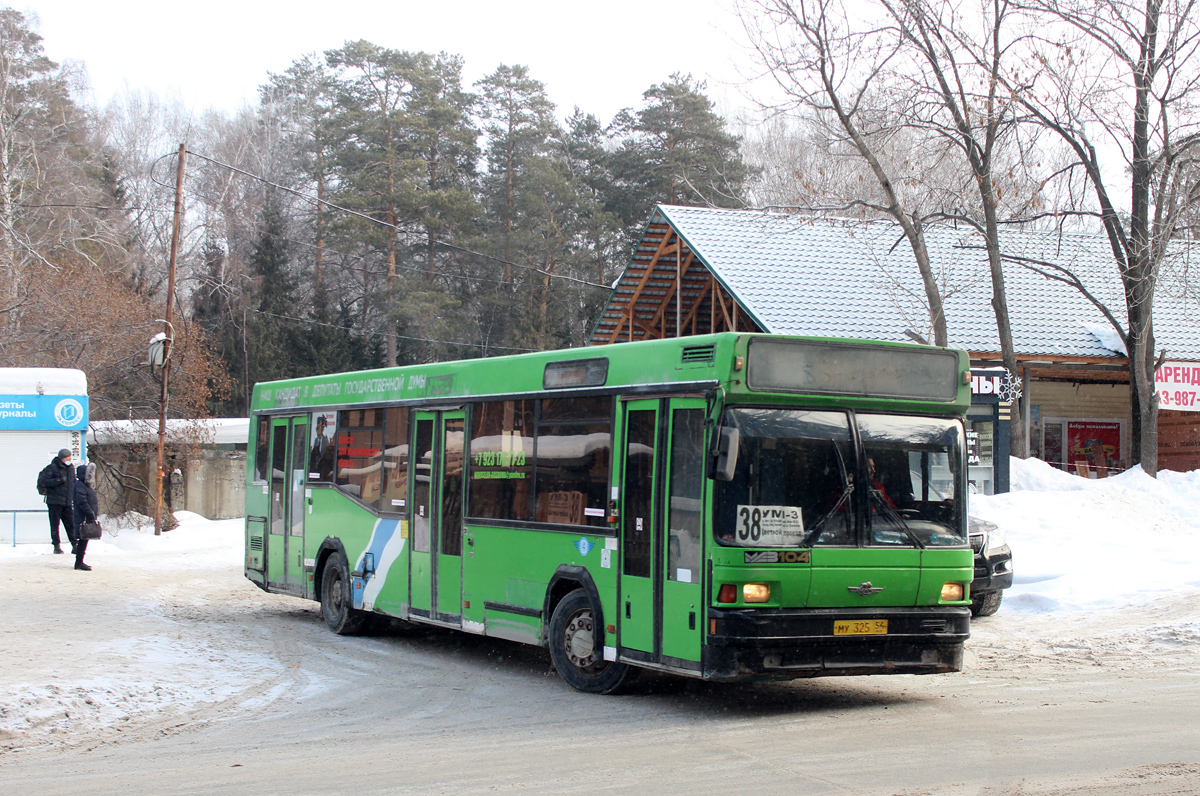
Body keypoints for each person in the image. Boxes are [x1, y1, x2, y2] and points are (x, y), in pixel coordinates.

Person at [37, 448, 76, 555]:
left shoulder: (70, 468)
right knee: (55, 525)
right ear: (62, 457)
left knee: (71, 523)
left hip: (67, 501)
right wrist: (58, 480)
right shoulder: (52, 468)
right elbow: (44, 481)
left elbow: (73, 482)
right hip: (54, 501)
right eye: (67, 457)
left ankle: (74, 544)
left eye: (70, 457)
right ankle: (56, 546)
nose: (69, 459)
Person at [72, 462, 99, 571]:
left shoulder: (84, 485)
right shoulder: (80, 485)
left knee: (84, 539)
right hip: (83, 517)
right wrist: (89, 513)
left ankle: (79, 561)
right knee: (83, 539)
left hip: (85, 517)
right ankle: (79, 562)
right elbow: (82, 501)